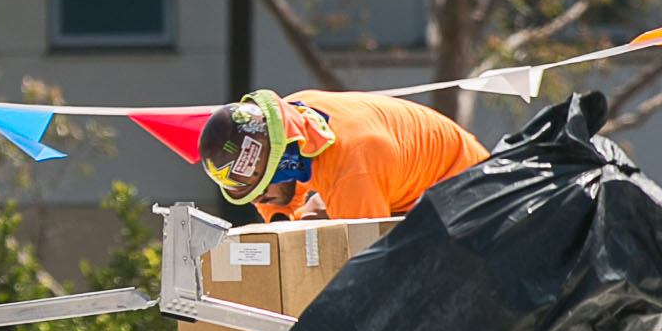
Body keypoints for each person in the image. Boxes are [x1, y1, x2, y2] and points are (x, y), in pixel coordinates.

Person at [199, 87, 484, 223]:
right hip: (407, 184)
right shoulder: (291, 121)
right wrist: (281, 224)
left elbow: (369, 259)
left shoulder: (351, 170)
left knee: (326, 231)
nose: (258, 202)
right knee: (309, 226)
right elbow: (282, 206)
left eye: (261, 191)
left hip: (467, 191)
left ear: (281, 163)